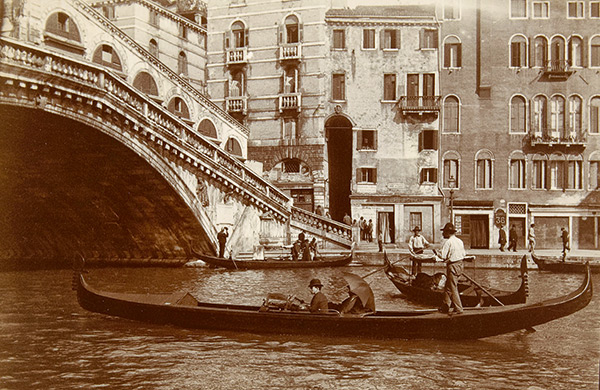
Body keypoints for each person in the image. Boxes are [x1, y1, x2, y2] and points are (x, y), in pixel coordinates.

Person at [434, 223, 466, 315]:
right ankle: (445, 306)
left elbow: (443, 256)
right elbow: (463, 254)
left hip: (452, 266)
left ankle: (459, 309)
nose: (443, 233)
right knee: (448, 287)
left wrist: (436, 253)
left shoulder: (448, 242)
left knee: (452, 288)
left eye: (444, 231)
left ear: (448, 232)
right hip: (460, 265)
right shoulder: (460, 241)